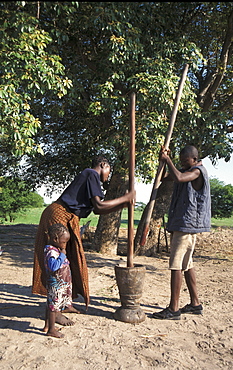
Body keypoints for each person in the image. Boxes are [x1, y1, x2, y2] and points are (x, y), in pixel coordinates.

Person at [32, 155, 135, 325]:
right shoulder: (91, 174)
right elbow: (99, 206)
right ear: (103, 165)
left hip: (68, 218)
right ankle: (55, 311)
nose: (108, 176)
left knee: (70, 260)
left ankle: (65, 303)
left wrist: (123, 205)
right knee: (58, 265)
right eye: (108, 171)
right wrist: (125, 198)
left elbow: (98, 210)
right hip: (58, 216)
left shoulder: (90, 178)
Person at [152, 145, 211, 320]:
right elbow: (164, 177)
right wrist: (162, 159)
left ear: (194, 159)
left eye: (186, 161)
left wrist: (167, 160)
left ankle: (174, 309)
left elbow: (178, 177)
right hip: (182, 223)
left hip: (187, 225)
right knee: (187, 264)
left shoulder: (197, 172)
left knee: (176, 265)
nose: (183, 164)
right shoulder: (186, 170)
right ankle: (195, 303)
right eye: (181, 161)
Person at [43, 223, 78, 338]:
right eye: (63, 242)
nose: (65, 245)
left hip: (59, 284)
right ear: (55, 239)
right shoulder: (51, 252)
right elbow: (53, 266)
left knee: (51, 305)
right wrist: (62, 255)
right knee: (53, 307)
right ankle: (51, 330)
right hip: (55, 285)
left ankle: (47, 326)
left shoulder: (55, 249)